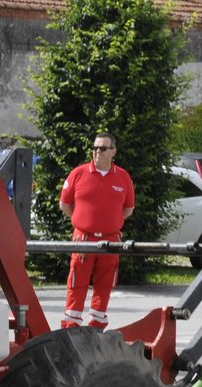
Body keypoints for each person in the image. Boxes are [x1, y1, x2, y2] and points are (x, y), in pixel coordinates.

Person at [59, 132, 135, 331]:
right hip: (83, 238)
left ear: (113, 151)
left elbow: (128, 209)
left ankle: (97, 323)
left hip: (111, 239)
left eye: (102, 148)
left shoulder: (123, 177)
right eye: (95, 148)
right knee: (77, 279)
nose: (97, 152)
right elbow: (65, 205)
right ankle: (71, 323)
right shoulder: (79, 173)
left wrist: (109, 223)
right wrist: (84, 220)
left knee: (105, 281)